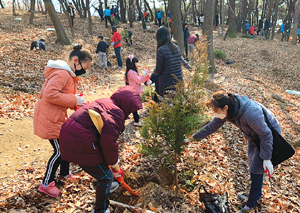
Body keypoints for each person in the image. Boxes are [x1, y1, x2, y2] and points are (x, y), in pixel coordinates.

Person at [192, 91, 281, 212]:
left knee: (256, 169)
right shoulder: (227, 111)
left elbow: (266, 135)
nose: (214, 113)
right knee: (253, 166)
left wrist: (266, 158)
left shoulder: (250, 113)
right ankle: (255, 196)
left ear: (225, 108)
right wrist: (193, 138)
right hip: (253, 136)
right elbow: (211, 126)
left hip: (268, 136)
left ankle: (249, 206)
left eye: (215, 110)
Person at [59, 86, 142, 213]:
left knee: (103, 169)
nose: (130, 114)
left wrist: (112, 163)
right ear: (127, 105)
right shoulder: (116, 113)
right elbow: (108, 142)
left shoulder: (106, 102)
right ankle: (100, 209)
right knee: (106, 176)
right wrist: (115, 164)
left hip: (69, 135)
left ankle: (106, 187)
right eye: (131, 110)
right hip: (79, 141)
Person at [33, 44, 92, 197]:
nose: (84, 71)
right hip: (49, 117)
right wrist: (74, 100)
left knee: (66, 144)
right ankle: (46, 184)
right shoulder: (63, 74)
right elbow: (50, 94)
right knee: (60, 150)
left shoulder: (69, 75)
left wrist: (76, 102)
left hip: (56, 116)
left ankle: (64, 173)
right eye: (84, 68)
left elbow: (63, 97)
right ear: (75, 60)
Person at [154, 26, 190, 97]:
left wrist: (153, 73)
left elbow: (159, 70)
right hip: (178, 82)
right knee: (177, 105)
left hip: (167, 84)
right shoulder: (176, 47)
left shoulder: (161, 50)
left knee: (168, 105)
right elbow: (180, 60)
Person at [124, 54, 150, 127]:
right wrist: (144, 74)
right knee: (134, 107)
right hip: (134, 92)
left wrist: (145, 78)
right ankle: (136, 121)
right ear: (133, 64)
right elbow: (139, 80)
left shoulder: (128, 72)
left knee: (132, 106)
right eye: (136, 62)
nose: (138, 64)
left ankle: (126, 116)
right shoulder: (132, 73)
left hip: (131, 92)